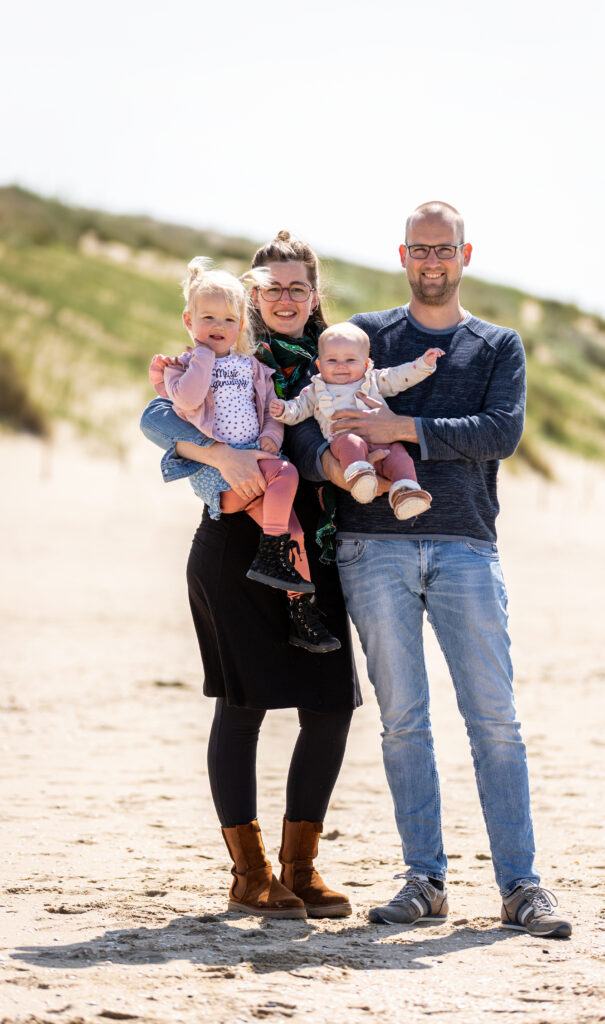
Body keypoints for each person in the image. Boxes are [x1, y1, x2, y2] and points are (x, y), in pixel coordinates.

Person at [286, 202, 572, 938]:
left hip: (465, 547)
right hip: (369, 550)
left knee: (494, 722)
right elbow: (305, 422)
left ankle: (519, 885)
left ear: (465, 254)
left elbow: (500, 433)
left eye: (443, 248)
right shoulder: (363, 336)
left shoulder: (496, 344)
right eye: (420, 249)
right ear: (402, 255)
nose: (432, 260)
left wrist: (401, 429)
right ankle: (424, 879)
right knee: (402, 723)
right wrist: (331, 462)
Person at [140, 230, 361, 920]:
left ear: (313, 294)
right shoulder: (222, 348)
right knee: (242, 707)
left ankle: (301, 867)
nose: (286, 298)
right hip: (233, 548)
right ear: (253, 299)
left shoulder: (336, 363)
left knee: (329, 706)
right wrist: (217, 454)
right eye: (272, 288)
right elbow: (153, 413)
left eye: (298, 286)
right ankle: (250, 873)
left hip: (312, 552)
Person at [149, 257, 339, 632]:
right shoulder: (182, 367)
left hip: (260, 471)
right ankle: (270, 551)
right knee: (285, 472)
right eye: (208, 319)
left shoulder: (254, 365)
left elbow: (270, 412)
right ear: (189, 321)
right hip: (223, 480)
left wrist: (272, 436)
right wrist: (203, 357)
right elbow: (181, 404)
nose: (219, 327)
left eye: (228, 320)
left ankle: (302, 611)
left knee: (295, 535)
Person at [270, 319, 443, 517]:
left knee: (400, 456)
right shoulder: (315, 390)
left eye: (350, 360)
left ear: (366, 363)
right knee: (350, 442)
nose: (341, 366)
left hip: (383, 443)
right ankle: (360, 476)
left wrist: (423, 364)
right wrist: (283, 410)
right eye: (332, 361)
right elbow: (298, 408)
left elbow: (400, 376)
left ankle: (406, 492)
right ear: (319, 365)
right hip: (345, 444)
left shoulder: (374, 380)